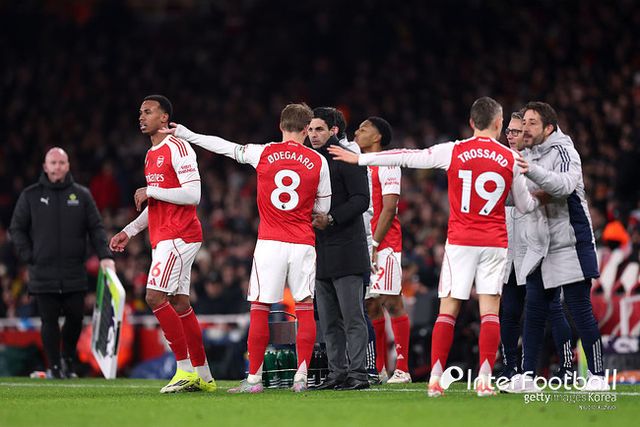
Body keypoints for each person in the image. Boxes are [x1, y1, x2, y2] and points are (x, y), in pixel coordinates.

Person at [329, 96, 540, 397]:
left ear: (472, 122)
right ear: (498, 123)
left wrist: (360, 159)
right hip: (494, 242)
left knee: (448, 311)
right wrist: (540, 198)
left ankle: (436, 378)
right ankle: (484, 379)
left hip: (460, 241)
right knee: (490, 312)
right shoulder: (510, 158)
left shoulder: (453, 150)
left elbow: (407, 156)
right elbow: (525, 205)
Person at [162, 103, 331, 393]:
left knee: (260, 308)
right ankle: (301, 377)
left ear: (281, 126)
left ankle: (254, 380)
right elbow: (323, 209)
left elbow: (224, 147)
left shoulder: (262, 152)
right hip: (302, 242)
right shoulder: (318, 161)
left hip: (270, 243)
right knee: (304, 307)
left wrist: (187, 134)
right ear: (306, 129)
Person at [109, 95, 215, 393]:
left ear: (164, 117)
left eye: (148, 112)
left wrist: (152, 190)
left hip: (179, 235)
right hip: (165, 234)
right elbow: (156, 203)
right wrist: (129, 231)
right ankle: (203, 375)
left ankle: (184, 369)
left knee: (154, 297)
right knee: (180, 304)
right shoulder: (150, 154)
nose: (141, 117)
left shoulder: (178, 147)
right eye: (140, 112)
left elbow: (193, 195)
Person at [511, 101, 608, 391]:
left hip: (570, 242)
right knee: (534, 311)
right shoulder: (524, 155)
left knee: (579, 309)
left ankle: (598, 376)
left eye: (532, 123)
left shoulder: (565, 151)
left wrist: (531, 172)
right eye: (523, 122)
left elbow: (564, 185)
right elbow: (521, 198)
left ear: (549, 128)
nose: (525, 128)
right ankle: (528, 376)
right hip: (540, 245)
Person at [9, 147, 115, 378]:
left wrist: (105, 256)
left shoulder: (82, 195)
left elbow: (96, 228)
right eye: (53, 163)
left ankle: (67, 359)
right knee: (48, 321)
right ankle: (55, 366)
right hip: (42, 271)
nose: (57, 167)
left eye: (61, 162)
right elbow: (16, 228)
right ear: (45, 167)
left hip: (74, 270)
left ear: (68, 166)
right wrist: (29, 255)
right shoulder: (30, 195)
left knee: (75, 319)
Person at [499, 112, 573, 380]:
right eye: (508, 131)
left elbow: (556, 192)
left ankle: (567, 366)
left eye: (517, 131)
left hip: (537, 248)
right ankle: (510, 368)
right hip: (510, 250)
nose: (511, 136)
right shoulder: (501, 161)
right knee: (509, 311)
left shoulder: (540, 162)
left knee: (551, 309)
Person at [309, 107, 371, 390]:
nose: (313, 135)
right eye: (310, 130)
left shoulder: (346, 158)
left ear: (333, 130)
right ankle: (337, 373)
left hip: (346, 248)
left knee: (352, 316)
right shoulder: (310, 160)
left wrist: (332, 218)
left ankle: (358, 373)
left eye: (319, 129)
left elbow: (361, 199)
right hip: (320, 250)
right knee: (328, 320)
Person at [354, 117, 412, 384]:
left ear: (377, 137)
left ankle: (403, 368)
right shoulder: (358, 163)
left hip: (385, 243)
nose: (357, 132)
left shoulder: (388, 162)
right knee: (371, 305)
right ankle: (379, 369)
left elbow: (389, 208)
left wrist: (376, 244)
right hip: (362, 242)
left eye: (363, 129)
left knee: (391, 301)